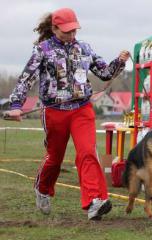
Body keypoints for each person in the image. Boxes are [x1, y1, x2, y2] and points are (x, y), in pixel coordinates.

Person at [4, 8, 130, 220]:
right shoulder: (42, 50)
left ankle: (94, 201)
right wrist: (16, 104)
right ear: (54, 28)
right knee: (55, 158)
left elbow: (105, 73)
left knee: (88, 152)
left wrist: (119, 61)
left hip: (81, 108)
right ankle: (43, 189)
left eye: (74, 31)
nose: (72, 35)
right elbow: (26, 79)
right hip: (54, 110)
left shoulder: (85, 48)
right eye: (66, 31)